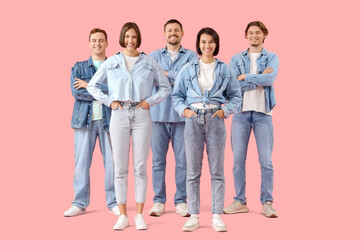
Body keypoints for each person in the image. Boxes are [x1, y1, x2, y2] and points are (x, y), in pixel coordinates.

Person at [87, 22, 171, 230]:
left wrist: (149, 102)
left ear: (138, 38)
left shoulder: (149, 61)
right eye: (127, 37)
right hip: (119, 114)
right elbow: (92, 86)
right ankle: (123, 215)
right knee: (120, 166)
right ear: (122, 38)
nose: (130, 41)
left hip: (142, 114)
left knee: (140, 166)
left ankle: (140, 214)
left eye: (133, 37)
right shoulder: (113, 61)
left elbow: (165, 87)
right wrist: (110, 102)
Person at [172, 27, 241, 232]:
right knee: (192, 171)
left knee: (217, 170)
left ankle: (217, 215)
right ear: (198, 45)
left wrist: (225, 110)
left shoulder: (224, 69)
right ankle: (193, 215)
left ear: (216, 44)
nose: (207, 46)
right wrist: (184, 111)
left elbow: (236, 95)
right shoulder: (188, 68)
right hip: (193, 119)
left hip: (215, 119)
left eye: (211, 42)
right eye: (203, 42)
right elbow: (177, 96)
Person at [223, 21, 279, 218]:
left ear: (264, 35)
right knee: (238, 160)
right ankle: (239, 200)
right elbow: (232, 86)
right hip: (240, 113)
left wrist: (244, 76)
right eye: (251, 32)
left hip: (264, 114)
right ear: (245, 35)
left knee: (266, 161)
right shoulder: (235, 58)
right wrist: (256, 78)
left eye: (258, 32)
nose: (254, 35)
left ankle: (267, 202)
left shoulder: (272, 57)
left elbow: (270, 80)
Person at [64, 28, 119, 217]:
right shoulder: (78, 67)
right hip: (83, 122)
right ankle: (79, 203)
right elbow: (76, 93)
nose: (97, 44)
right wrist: (102, 90)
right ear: (89, 43)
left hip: (109, 121)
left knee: (113, 164)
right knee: (81, 163)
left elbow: (118, 92)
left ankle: (113, 202)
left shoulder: (114, 66)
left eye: (101, 40)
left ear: (106, 43)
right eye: (94, 40)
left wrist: (89, 85)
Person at [149, 19, 198, 217]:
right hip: (157, 116)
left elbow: (191, 79)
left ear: (182, 33)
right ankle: (159, 200)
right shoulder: (153, 56)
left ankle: (180, 201)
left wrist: (165, 74)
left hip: (182, 118)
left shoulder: (192, 56)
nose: (173, 33)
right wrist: (176, 76)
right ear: (164, 33)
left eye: (176, 30)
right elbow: (151, 78)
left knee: (183, 162)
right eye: (169, 30)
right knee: (157, 162)